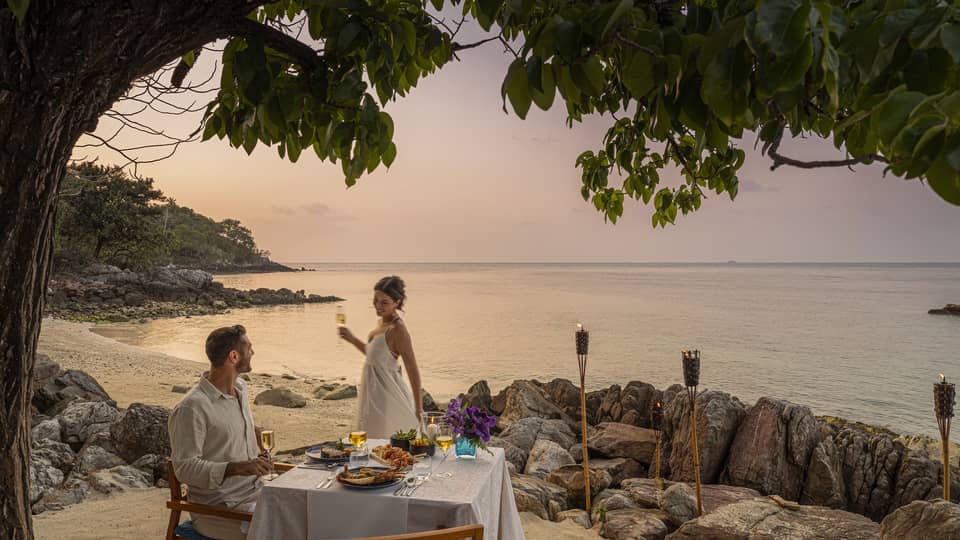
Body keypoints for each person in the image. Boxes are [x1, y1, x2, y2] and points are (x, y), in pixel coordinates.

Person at [168, 325, 270, 540]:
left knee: (311, 512)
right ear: (234, 356)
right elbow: (185, 468)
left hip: (256, 493)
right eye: (249, 348)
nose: (253, 353)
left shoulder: (240, 390)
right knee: (293, 528)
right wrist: (237, 468)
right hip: (219, 510)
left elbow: (222, 430)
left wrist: (252, 432)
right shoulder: (192, 408)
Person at [338, 275, 422, 438]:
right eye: (376, 300)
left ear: (397, 302)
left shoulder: (398, 330)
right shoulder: (382, 323)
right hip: (373, 393)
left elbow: (412, 369)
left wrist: (419, 409)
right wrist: (352, 339)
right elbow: (375, 358)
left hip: (388, 395)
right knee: (372, 444)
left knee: (388, 443)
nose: (378, 306)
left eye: (384, 302)